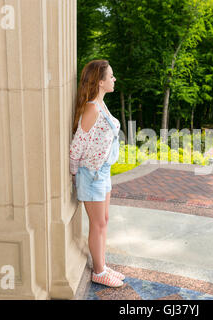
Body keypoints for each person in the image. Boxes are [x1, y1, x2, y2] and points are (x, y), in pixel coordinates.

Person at [69, 60, 125, 288]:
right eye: (110, 77)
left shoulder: (101, 105)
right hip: (91, 175)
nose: (114, 79)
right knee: (98, 224)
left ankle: (102, 264)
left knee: (104, 221)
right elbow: (76, 147)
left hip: (103, 171)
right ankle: (99, 271)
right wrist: (74, 175)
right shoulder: (92, 108)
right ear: (100, 82)